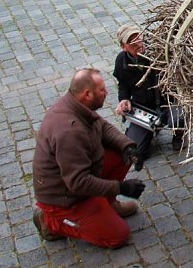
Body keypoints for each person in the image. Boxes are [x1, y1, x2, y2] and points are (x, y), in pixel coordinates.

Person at [31, 68, 146, 248]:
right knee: (117, 235)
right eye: (102, 90)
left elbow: (103, 126)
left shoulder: (77, 105)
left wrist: (128, 146)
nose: (106, 92)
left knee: (120, 154)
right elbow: (78, 182)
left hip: (79, 178)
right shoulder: (70, 131)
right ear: (87, 94)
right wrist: (121, 187)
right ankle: (51, 221)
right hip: (66, 198)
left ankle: (108, 203)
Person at [113, 24, 185, 167]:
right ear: (123, 47)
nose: (138, 43)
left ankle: (179, 134)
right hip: (145, 107)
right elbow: (123, 85)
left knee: (179, 118)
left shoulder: (159, 51)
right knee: (137, 152)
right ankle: (150, 129)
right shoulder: (121, 61)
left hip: (168, 102)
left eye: (138, 37)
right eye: (131, 41)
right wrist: (124, 99)